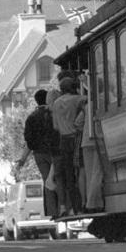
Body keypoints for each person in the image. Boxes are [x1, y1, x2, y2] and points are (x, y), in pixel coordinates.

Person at [16, 89, 60, 218]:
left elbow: (28, 141)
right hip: (53, 150)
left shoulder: (31, 118)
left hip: (39, 154)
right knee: (58, 177)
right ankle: (62, 205)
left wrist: (22, 160)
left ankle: (52, 211)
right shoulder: (52, 114)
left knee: (46, 179)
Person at [51, 77, 86, 216]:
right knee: (81, 170)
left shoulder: (55, 103)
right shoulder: (77, 99)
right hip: (76, 138)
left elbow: (55, 126)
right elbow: (90, 99)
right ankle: (83, 202)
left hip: (63, 141)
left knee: (69, 174)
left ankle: (73, 207)